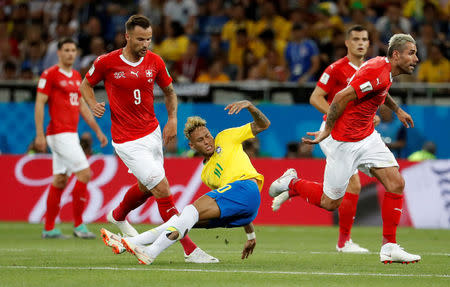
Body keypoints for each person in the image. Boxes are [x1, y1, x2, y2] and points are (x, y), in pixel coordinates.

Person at [269, 33, 421, 264]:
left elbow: (381, 89)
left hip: (367, 138)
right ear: (397, 54)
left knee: (396, 183)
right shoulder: (376, 71)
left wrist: (397, 110)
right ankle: (292, 183)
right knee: (330, 203)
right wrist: (327, 130)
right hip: (344, 142)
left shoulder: (384, 69)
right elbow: (340, 97)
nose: (416, 58)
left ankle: (389, 247)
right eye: (412, 53)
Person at [80, 15, 217, 263]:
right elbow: (85, 85)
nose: (146, 44)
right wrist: (92, 104)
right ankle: (190, 250)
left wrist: (172, 119)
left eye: (149, 39)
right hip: (127, 141)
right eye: (141, 39)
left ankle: (118, 215)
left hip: (152, 134)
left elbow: (169, 91)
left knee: (147, 187)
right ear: (127, 37)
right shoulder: (107, 62)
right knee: (162, 189)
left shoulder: (154, 61)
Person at [100, 100, 270, 264]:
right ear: (192, 145)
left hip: (247, 187)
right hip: (244, 209)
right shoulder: (207, 174)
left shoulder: (226, 137)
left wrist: (250, 106)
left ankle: (143, 248)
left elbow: (263, 125)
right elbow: (231, 202)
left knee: (189, 211)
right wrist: (251, 236)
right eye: (200, 140)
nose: (207, 141)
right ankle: (130, 244)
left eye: (207, 136)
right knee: (183, 221)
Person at [307, 25, 373, 253]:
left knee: (345, 189)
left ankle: (293, 186)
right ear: (347, 43)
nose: (360, 43)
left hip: (357, 133)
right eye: (355, 39)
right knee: (353, 183)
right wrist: (338, 118)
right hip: (332, 131)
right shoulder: (335, 69)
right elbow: (315, 97)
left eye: (364, 39)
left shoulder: (371, 68)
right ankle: (344, 242)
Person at [34, 37, 108, 239]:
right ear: (58, 53)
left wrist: (98, 131)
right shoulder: (49, 75)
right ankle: (79, 226)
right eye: (66, 49)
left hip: (70, 134)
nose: (70, 53)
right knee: (85, 174)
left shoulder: (76, 75)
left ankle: (49, 228)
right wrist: (39, 134)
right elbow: (40, 103)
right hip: (58, 133)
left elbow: (82, 107)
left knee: (60, 180)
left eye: (73, 50)